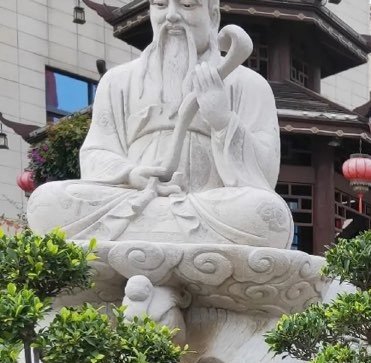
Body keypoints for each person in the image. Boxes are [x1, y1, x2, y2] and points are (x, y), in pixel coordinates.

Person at [27, 0, 293, 248]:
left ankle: (145, 239)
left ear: (213, 16)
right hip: (133, 201)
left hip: (210, 205)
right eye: (160, 5)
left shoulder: (247, 84)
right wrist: (131, 174)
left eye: (187, 5)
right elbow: (96, 153)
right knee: (46, 202)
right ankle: (168, 234)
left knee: (269, 215)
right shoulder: (117, 81)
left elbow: (265, 174)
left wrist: (222, 119)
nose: (172, 16)